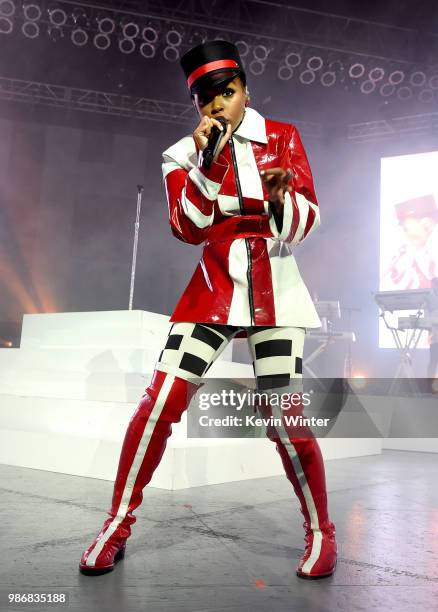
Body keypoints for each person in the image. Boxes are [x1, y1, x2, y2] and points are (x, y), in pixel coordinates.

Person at [79, 40, 337, 579]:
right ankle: (117, 523)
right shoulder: (182, 153)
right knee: (158, 405)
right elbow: (188, 228)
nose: (217, 105)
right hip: (213, 293)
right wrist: (209, 162)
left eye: (227, 91)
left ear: (246, 89)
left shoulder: (281, 139)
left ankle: (321, 532)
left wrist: (261, 202)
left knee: (286, 422)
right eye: (205, 99)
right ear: (195, 105)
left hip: (276, 298)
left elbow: (300, 226)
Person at [382, 194, 438, 290]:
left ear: (426, 224)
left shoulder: (432, 249)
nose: (405, 236)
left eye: (406, 229)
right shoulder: (406, 255)